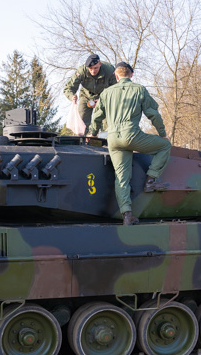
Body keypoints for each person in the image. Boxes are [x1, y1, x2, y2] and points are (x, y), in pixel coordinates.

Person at [91, 61, 171, 226]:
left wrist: (92, 134)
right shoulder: (139, 89)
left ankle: (127, 215)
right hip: (132, 136)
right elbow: (153, 114)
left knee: (121, 179)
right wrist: (162, 134)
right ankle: (151, 181)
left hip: (113, 139)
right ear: (131, 75)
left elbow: (97, 117)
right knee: (164, 146)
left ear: (116, 75)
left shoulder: (106, 93)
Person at [64, 54, 117, 134]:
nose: (93, 71)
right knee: (81, 121)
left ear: (100, 64)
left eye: (95, 68)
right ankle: (80, 143)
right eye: (90, 68)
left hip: (103, 97)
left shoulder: (109, 70)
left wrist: (103, 100)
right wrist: (72, 96)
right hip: (86, 96)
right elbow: (69, 87)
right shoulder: (82, 71)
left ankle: (106, 142)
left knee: (107, 123)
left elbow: (116, 90)